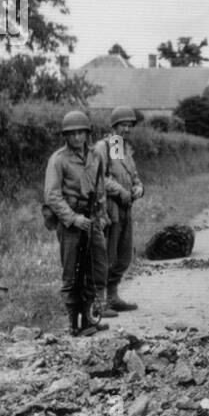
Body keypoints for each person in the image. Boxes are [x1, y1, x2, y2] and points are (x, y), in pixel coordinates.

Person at [45, 110, 109, 337]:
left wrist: (101, 216)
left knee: (97, 269)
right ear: (66, 136)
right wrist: (73, 218)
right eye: (72, 134)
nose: (77, 138)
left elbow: (100, 188)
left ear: (87, 134)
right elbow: (52, 196)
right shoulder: (59, 160)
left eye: (81, 133)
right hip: (71, 223)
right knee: (72, 273)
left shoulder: (95, 156)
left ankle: (89, 316)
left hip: (92, 219)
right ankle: (74, 322)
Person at [95, 106, 144, 314]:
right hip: (109, 209)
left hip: (125, 209)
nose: (126, 129)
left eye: (129, 125)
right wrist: (120, 191)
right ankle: (99, 301)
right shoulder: (103, 147)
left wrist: (138, 188)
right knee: (106, 255)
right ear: (114, 126)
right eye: (123, 125)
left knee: (123, 255)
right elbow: (99, 178)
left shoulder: (122, 148)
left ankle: (113, 296)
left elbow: (132, 175)